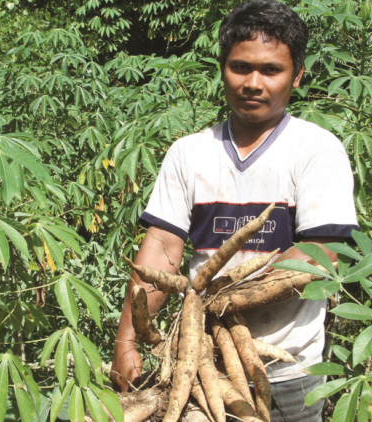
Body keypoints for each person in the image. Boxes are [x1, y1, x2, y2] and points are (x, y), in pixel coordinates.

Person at [110, 1, 359, 420]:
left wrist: (218, 298)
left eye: (271, 70)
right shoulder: (189, 153)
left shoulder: (317, 149)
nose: (253, 83)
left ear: (297, 75)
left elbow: (322, 251)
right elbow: (162, 248)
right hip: (200, 363)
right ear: (222, 69)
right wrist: (126, 342)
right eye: (240, 67)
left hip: (288, 369)